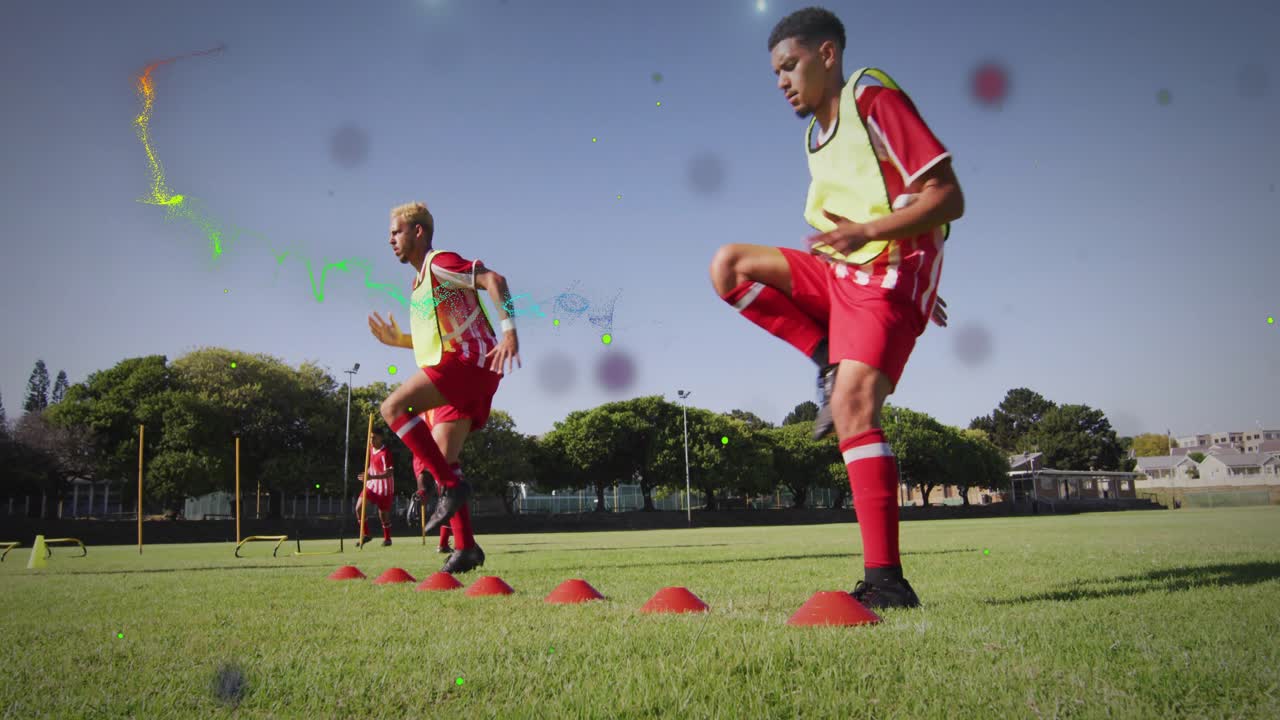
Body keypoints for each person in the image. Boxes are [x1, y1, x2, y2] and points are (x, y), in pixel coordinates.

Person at [709, 7, 964, 609]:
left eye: (790, 66)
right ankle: (825, 355)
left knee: (853, 408)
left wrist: (894, 251)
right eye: (775, 73)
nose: (782, 82)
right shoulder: (812, 136)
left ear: (827, 55)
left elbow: (947, 195)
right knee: (728, 265)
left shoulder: (871, 99)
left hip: (888, 276)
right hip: (843, 271)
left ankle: (886, 582)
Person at [368, 201, 522, 574]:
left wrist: (510, 332)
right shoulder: (419, 283)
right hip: (461, 369)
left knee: (392, 409)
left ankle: (452, 486)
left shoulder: (440, 263)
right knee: (444, 458)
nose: (390, 239)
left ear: (417, 232)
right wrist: (399, 340)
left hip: (470, 364)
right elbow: (434, 338)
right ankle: (466, 547)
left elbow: (495, 281)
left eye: (396, 231)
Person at [412, 409, 454, 554]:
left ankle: (421, 494)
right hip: (438, 450)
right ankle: (443, 544)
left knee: (424, 486)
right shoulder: (438, 408)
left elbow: (410, 409)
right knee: (448, 500)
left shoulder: (416, 410)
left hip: (419, 453)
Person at [355, 428, 395, 547]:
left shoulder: (386, 453)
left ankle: (387, 539)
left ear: (381, 438)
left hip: (384, 488)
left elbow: (389, 473)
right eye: (370, 437)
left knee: (383, 515)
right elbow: (371, 464)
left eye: (374, 437)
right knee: (358, 508)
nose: (371, 440)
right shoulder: (370, 450)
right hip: (371, 485)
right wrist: (366, 474)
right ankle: (366, 534)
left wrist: (372, 476)